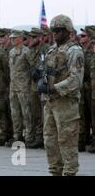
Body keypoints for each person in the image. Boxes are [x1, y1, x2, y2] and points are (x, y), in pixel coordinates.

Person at [41, 15, 84, 176]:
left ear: (67, 31)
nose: (55, 34)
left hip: (66, 104)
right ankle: (55, 172)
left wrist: (54, 88)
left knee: (67, 143)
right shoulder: (52, 50)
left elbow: (75, 79)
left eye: (58, 31)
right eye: (53, 31)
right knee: (50, 142)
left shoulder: (74, 51)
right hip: (51, 103)